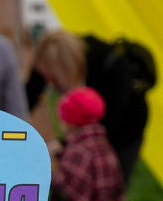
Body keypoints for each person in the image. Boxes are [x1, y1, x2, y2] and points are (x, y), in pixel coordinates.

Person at [28, 30, 153, 183]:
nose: (51, 84)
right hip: (95, 128)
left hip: (124, 131)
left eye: (54, 79)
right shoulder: (49, 58)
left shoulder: (110, 67)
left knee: (106, 183)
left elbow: (103, 130)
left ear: (66, 68)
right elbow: (29, 93)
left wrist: (64, 147)